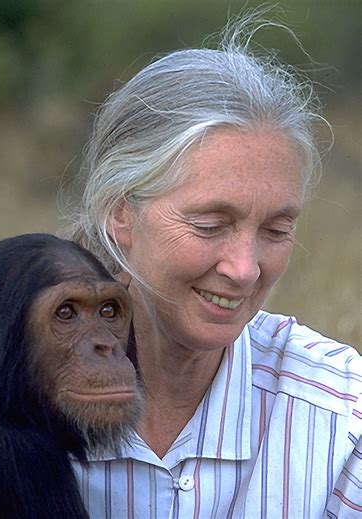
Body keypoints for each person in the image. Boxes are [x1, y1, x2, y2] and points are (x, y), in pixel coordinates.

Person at [62, 12, 361, 519]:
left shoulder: (341, 418)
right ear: (120, 211)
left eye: (276, 230)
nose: (245, 269)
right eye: (210, 224)